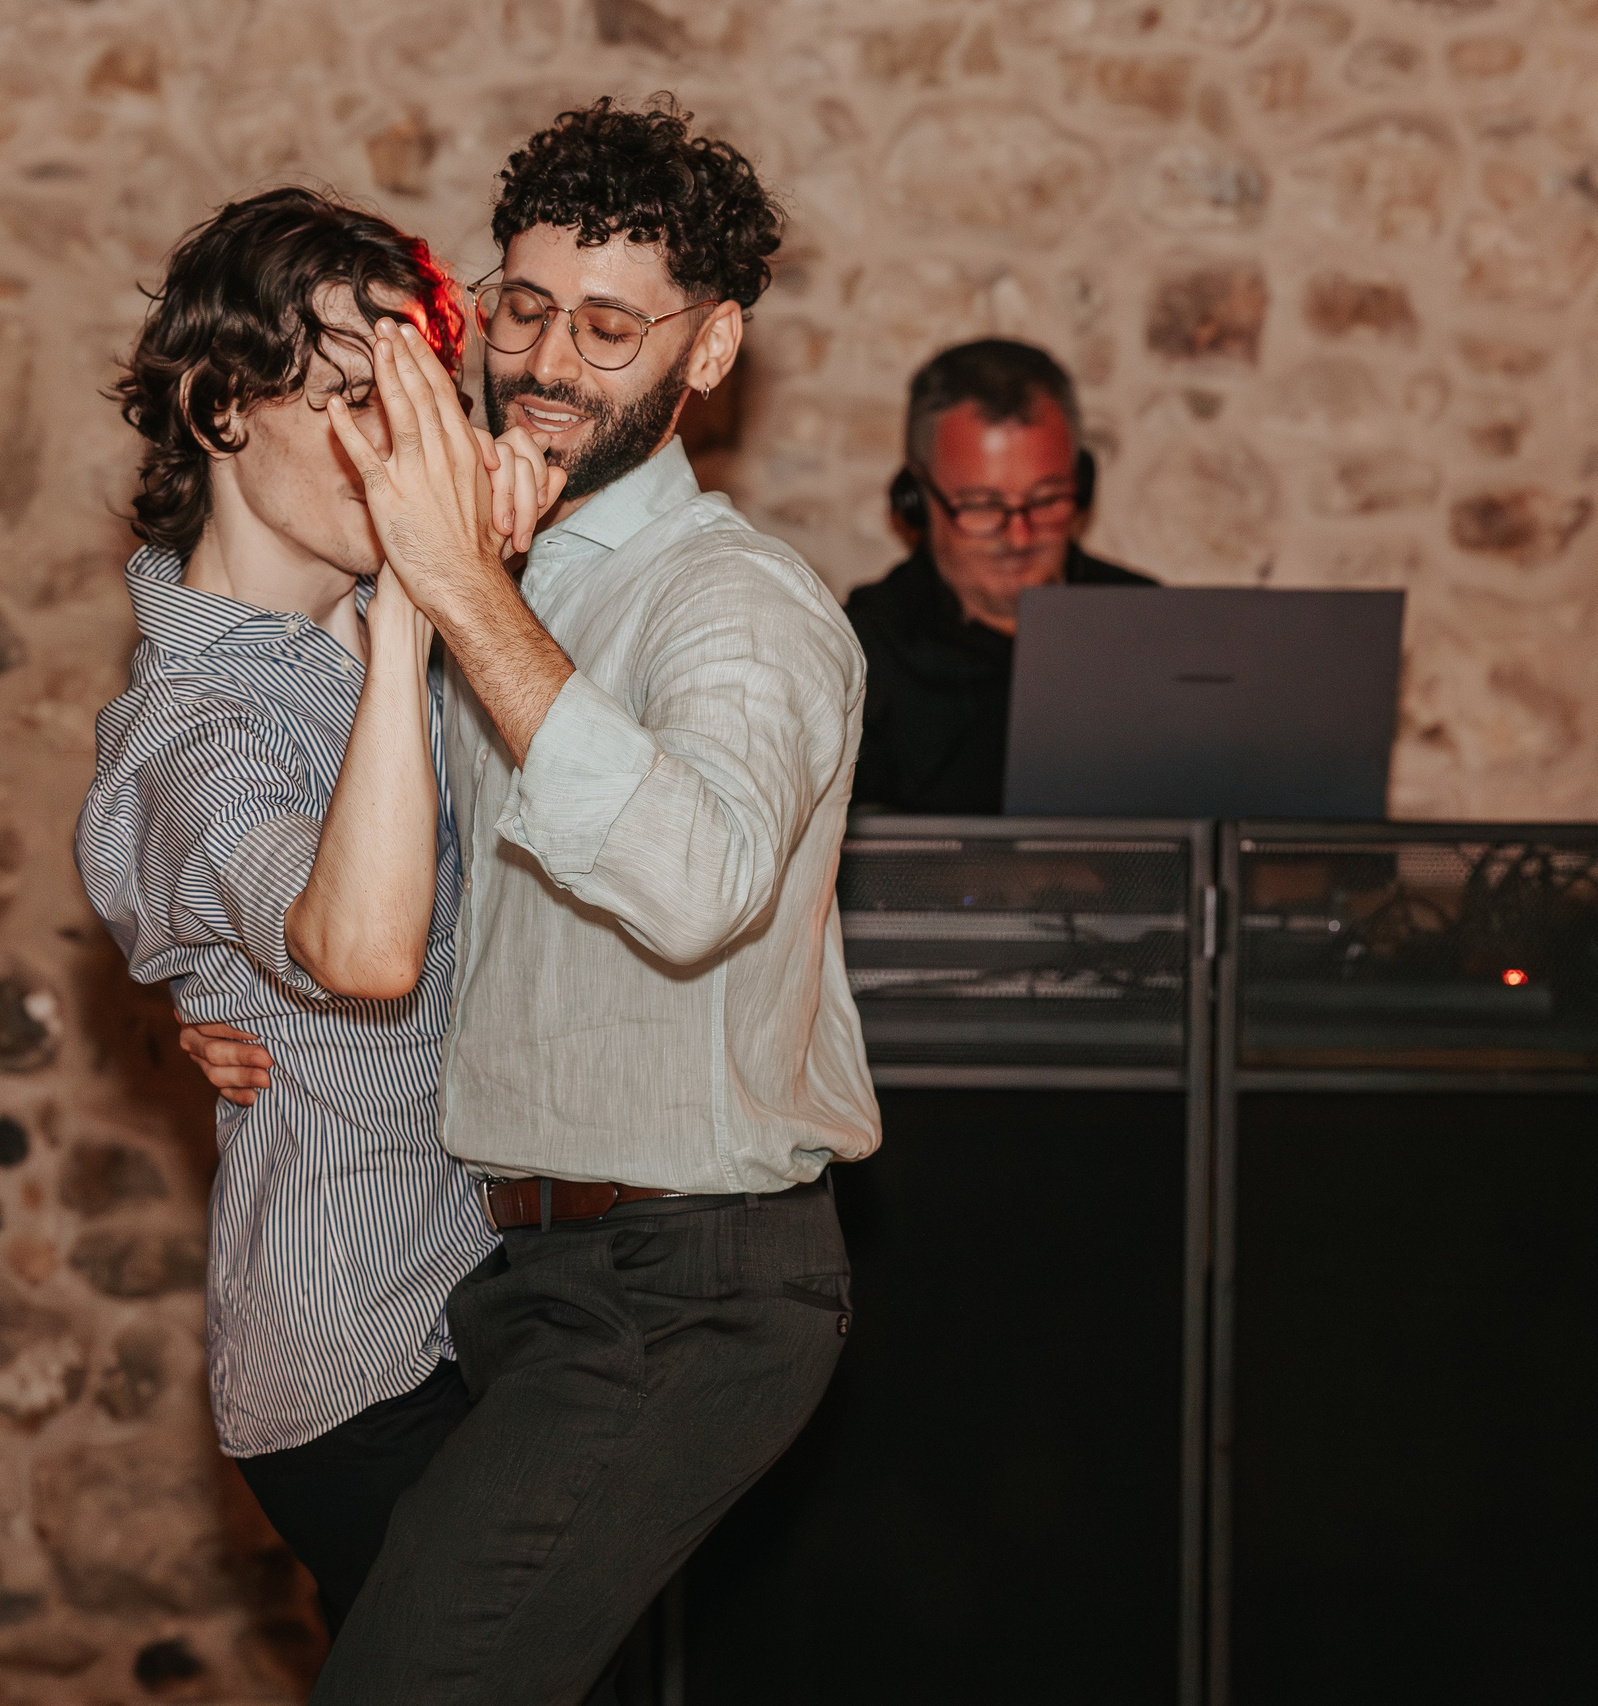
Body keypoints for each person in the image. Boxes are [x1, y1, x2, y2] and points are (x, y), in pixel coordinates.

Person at [202, 99, 880, 1705]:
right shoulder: (518, 573)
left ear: (709, 352)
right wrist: (224, 997)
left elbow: (696, 882)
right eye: (519, 308)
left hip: (691, 1287)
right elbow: (403, 899)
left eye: (609, 325)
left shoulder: (737, 601)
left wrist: (455, 590)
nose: (549, 360)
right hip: (517, 1277)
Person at [73, 187, 561, 1637]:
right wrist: (425, 594)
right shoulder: (194, 720)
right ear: (224, 406)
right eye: (355, 399)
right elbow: (359, 949)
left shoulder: (358, 651)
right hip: (365, 1360)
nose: (399, 446)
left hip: (478, 1302)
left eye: (412, 402)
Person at [843, 337, 1158, 815]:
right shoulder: (861, 654)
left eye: (1048, 498)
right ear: (914, 499)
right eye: (983, 505)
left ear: (1083, 483)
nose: (1019, 535)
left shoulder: (1149, 626)